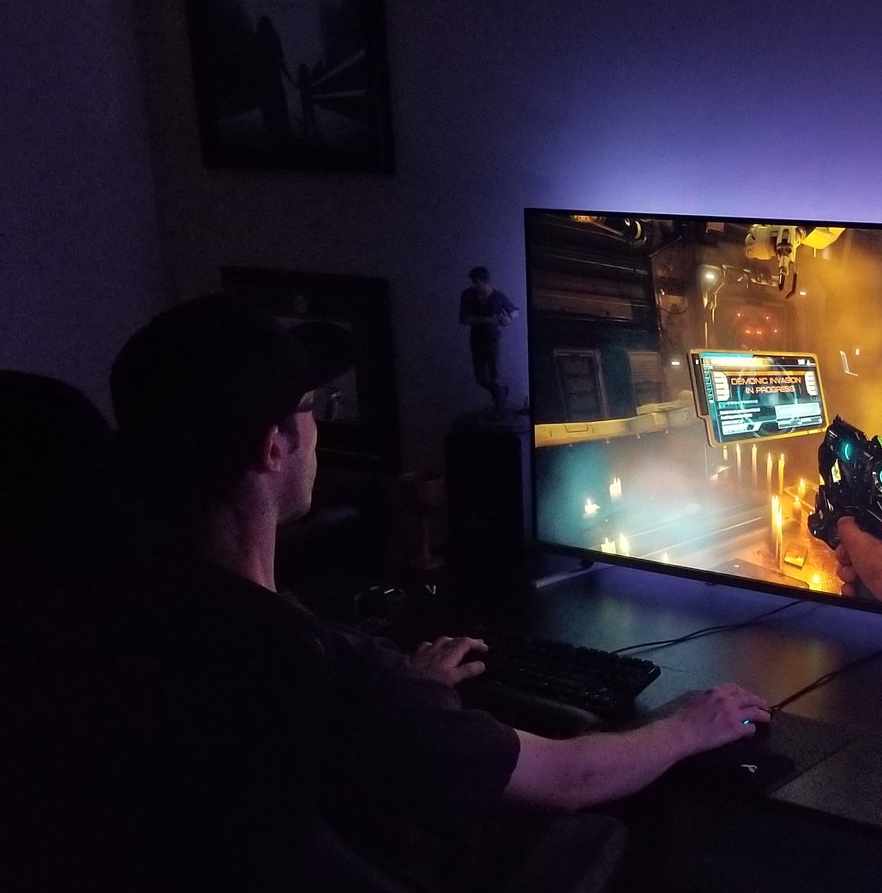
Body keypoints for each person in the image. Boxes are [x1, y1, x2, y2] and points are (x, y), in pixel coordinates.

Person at [109, 293, 768, 837]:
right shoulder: (334, 671)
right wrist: (687, 726)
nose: (320, 428)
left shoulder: (127, 613)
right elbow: (572, 777)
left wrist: (415, 693)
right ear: (273, 447)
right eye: (315, 407)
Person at [458, 266, 518, 414]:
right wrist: (487, 319)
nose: (474, 285)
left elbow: (515, 311)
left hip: (494, 340)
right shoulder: (468, 295)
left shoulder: (498, 297)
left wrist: (508, 318)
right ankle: (501, 393)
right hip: (476, 340)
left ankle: (499, 408)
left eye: (477, 282)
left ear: (485, 281)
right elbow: (464, 319)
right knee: (480, 378)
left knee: (496, 377)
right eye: (473, 282)